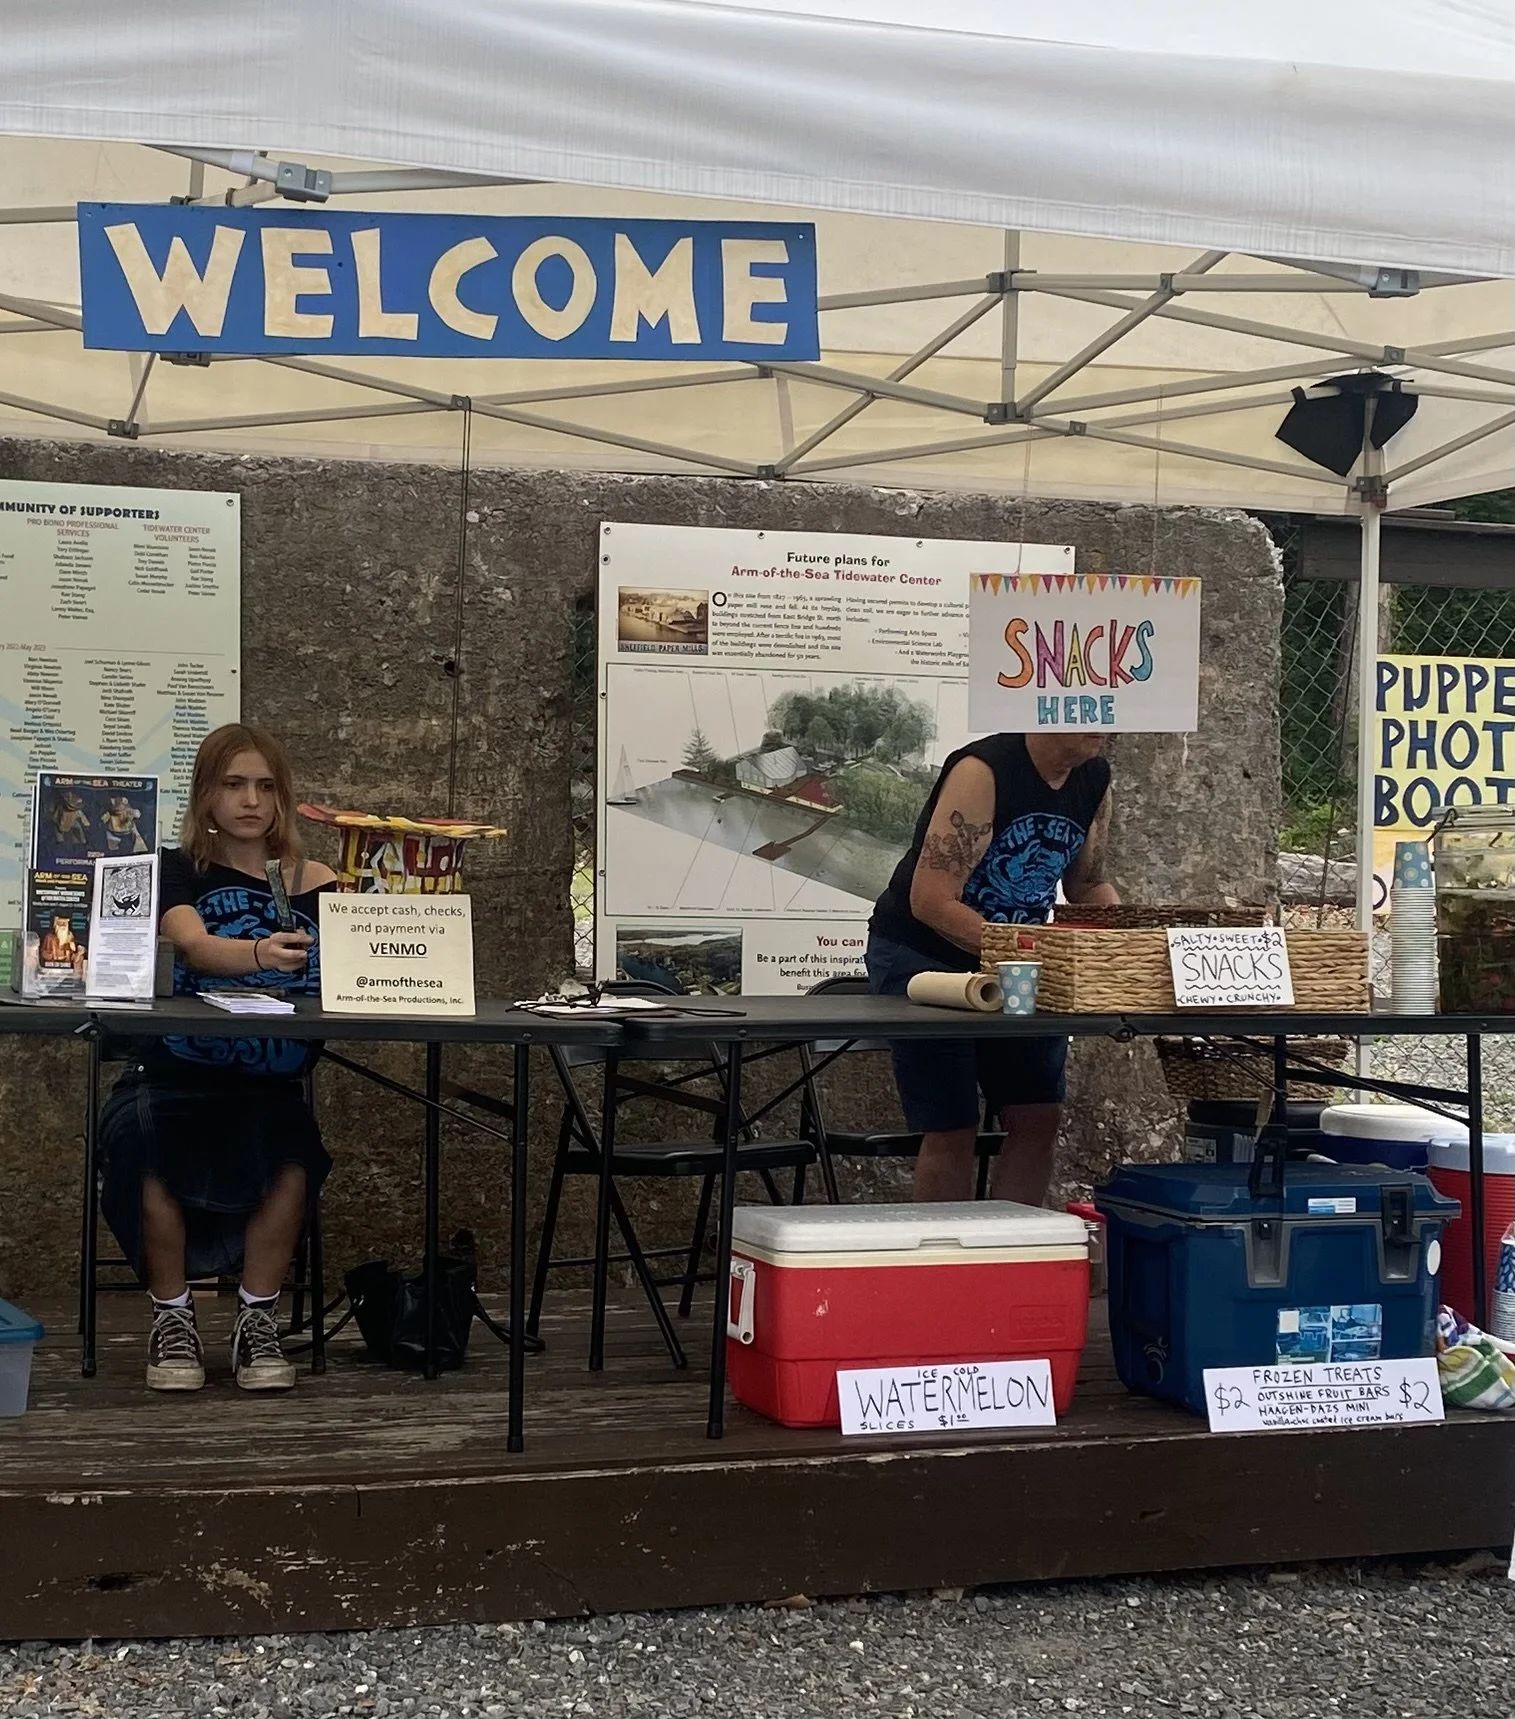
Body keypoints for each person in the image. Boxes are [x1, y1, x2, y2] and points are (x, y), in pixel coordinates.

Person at [99, 723, 338, 1393]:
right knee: (144, 1155)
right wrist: (262, 954)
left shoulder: (320, 881)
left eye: (266, 786)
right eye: (233, 784)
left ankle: (255, 1320)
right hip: (178, 1073)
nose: (251, 800)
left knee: (297, 1160)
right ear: (206, 795)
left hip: (270, 1082)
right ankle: (173, 1316)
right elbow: (196, 946)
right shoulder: (177, 870)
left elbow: (360, 967)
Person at [867, 731, 1119, 1205]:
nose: (1103, 728)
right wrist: (1025, 947)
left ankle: (1012, 1253)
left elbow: (1089, 884)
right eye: (1088, 713)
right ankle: (946, 1265)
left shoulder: (1095, 776)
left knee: (1037, 1116)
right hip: (928, 955)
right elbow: (931, 901)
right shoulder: (983, 770)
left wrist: (1122, 939)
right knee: (951, 1124)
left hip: (1019, 960)